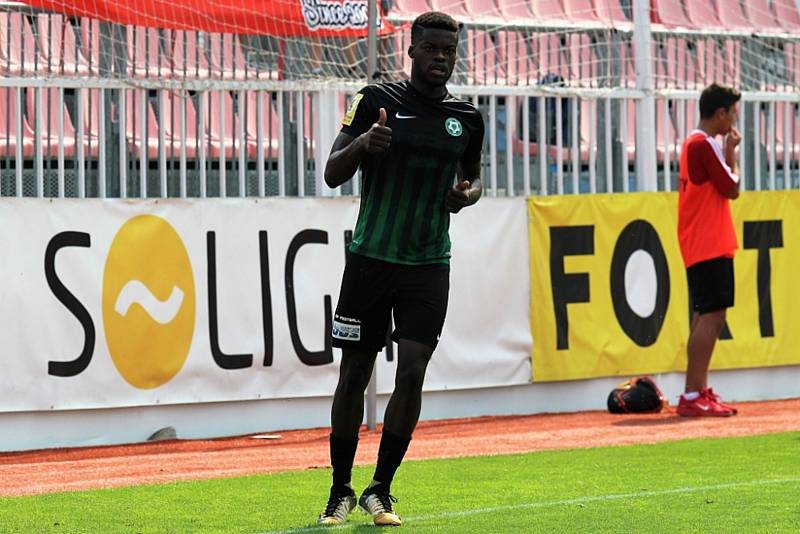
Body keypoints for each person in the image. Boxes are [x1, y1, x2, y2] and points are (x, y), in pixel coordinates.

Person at [316, 11, 484, 527]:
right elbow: (331, 171)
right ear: (411, 51)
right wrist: (365, 144)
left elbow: (474, 181)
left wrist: (465, 196)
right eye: (431, 49)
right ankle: (340, 488)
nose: (440, 58)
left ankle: (381, 488)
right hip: (371, 259)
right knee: (355, 373)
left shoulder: (467, 119)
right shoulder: (374, 101)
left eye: (449, 51)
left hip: (428, 263)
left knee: (412, 371)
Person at [676, 83, 742, 417]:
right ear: (720, 113)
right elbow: (732, 188)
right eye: (732, 112)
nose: (734, 119)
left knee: (706, 316)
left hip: (702, 241)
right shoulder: (703, 145)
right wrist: (732, 153)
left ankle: (697, 390)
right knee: (711, 317)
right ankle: (692, 394)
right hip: (708, 242)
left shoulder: (696, 144)